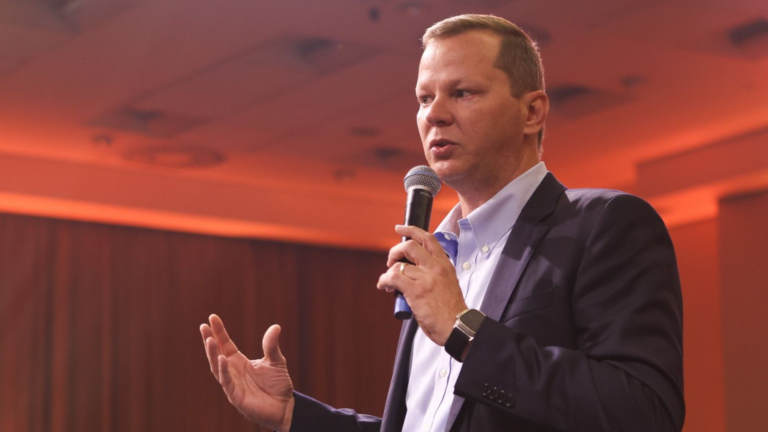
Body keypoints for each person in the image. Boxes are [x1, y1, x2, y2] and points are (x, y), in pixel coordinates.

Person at [200, 14, 684, 432]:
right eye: (424, 97)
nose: (435, 114)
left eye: (462, 93)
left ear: (532, 111)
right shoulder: (440, 255)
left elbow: (644, 409)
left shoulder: (603, 224)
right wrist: (290, 416)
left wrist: (464, 329)